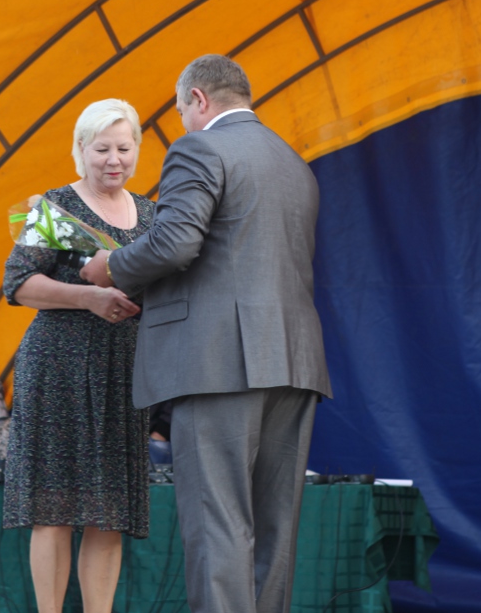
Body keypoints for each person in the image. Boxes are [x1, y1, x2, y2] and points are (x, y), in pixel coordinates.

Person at [81, 55, 332, 613]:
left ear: (198, 99)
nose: (182, 122)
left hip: (218, 361)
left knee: (218, 522)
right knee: (274, 529)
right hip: (293, 361)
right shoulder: (294, 162)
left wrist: (112, 266)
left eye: (180, 110)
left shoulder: (199, 148)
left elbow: (176, 243)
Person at [2, 98, 154, 613]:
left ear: (138, 149)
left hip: (122, 371)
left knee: (108, 512)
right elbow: (18, 283)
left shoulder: (153, 214)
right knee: (54, 507)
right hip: (58, 368)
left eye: (124, 148)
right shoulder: (53, 206)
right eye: (102, 149)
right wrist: (88, 297)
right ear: (81, 149)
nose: (114, 160)